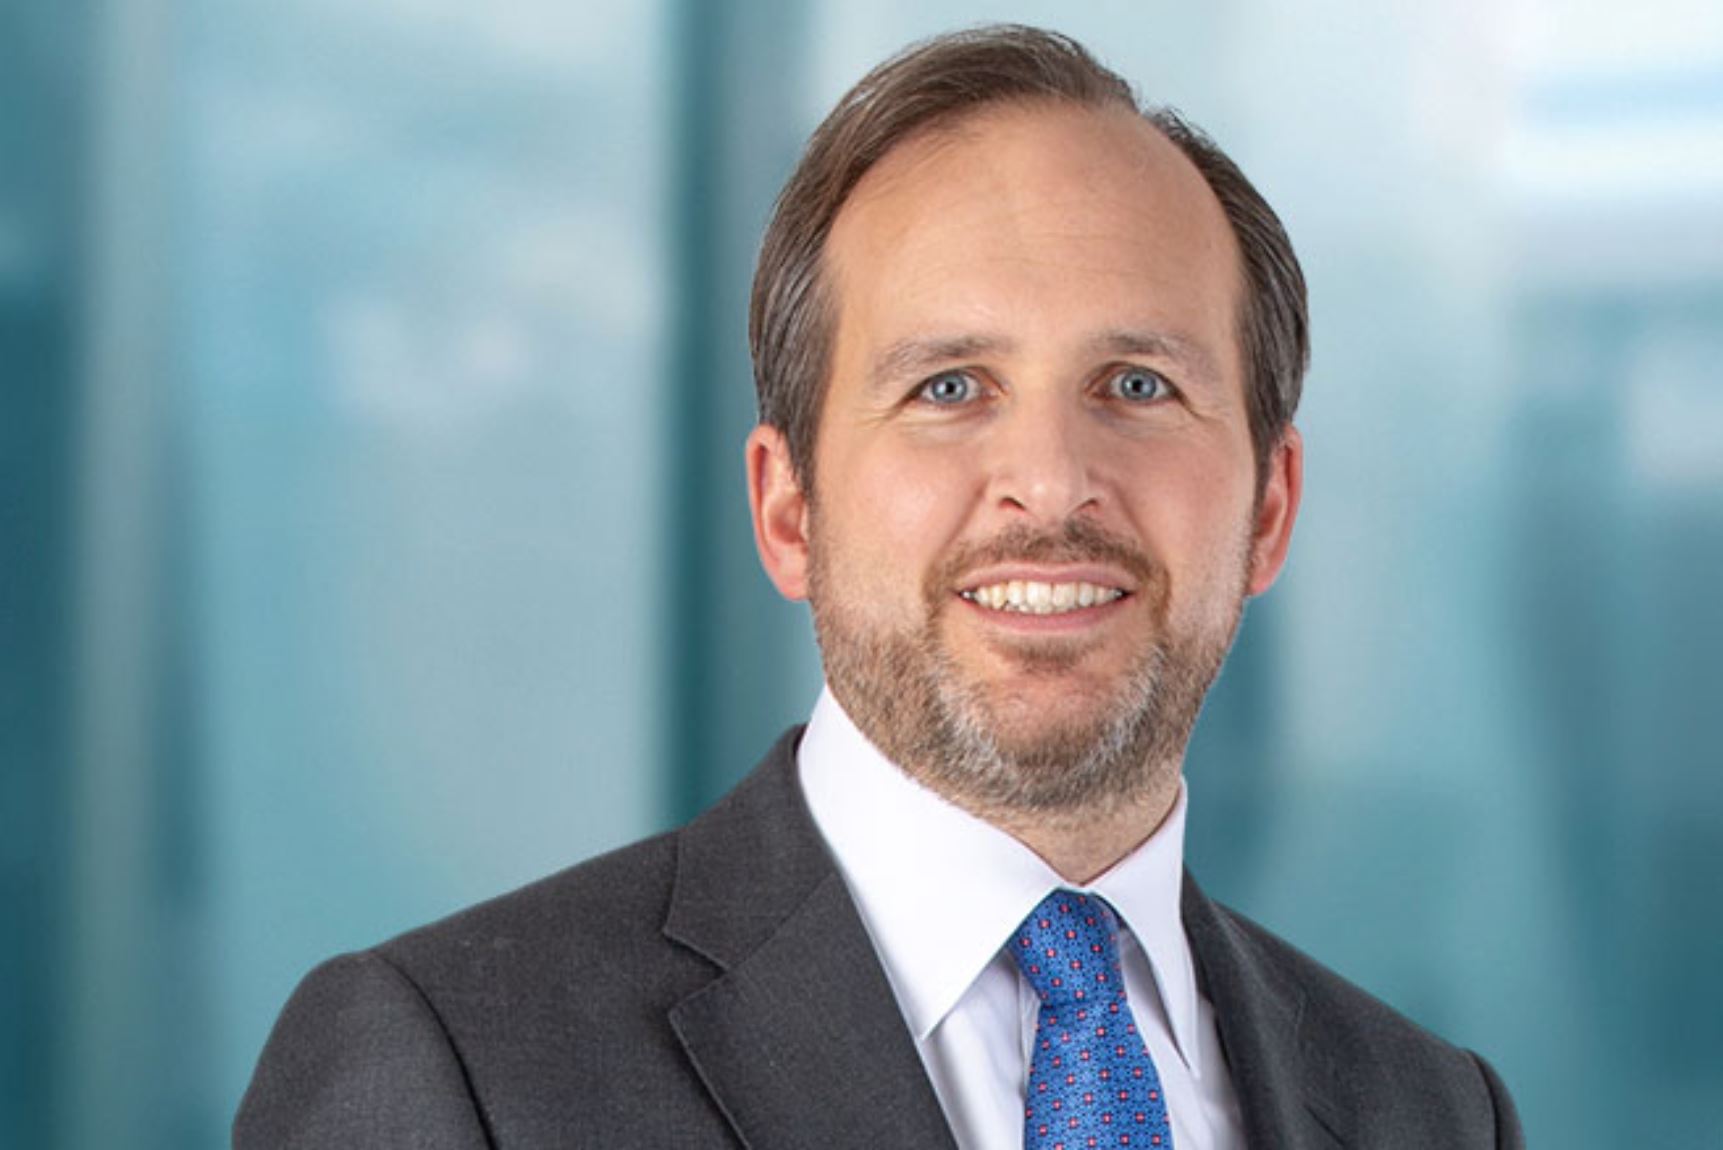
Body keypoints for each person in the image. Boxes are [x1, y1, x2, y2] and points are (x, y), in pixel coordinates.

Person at [236, 24, 1522, 1149]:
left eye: (1137, 385)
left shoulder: (1434, 1111)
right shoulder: (457, 1065)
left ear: (1269, 509)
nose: (1049, 480)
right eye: (947, 388)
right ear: (787, 510)